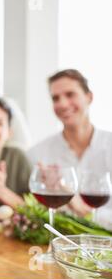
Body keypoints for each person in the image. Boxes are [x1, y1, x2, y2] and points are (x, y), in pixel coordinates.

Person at [28, 69, 112, 230]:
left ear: (89, 97)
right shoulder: (38, 154)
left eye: (70, 94)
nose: (62, 104)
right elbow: (35, 214)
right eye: (55, 98)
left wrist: (80, 208)